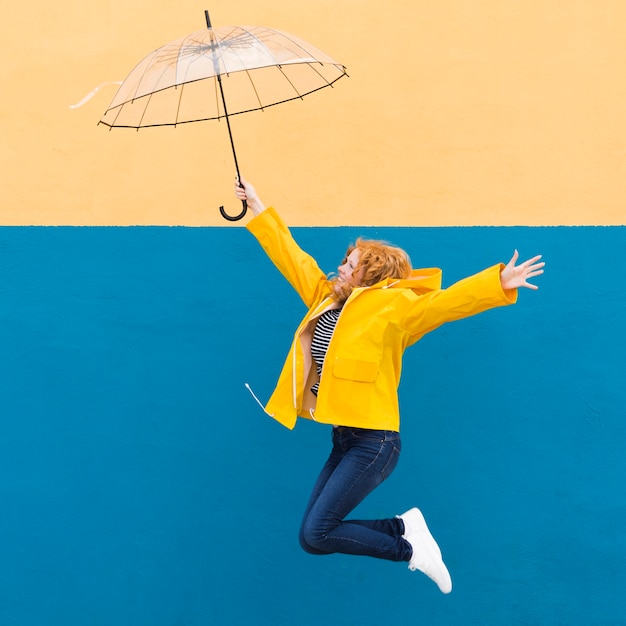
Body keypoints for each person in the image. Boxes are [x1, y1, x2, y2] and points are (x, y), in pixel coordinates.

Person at [234, 178, 544, 594]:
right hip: (345, 438)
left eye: (352, 262)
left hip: (375, 442)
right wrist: (257, 206)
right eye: (345, 260)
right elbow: (294, 259)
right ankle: (405, 527)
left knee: (319, 532)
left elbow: (443, 305)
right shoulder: (328, 298)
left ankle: (411, 550)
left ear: (372, 271)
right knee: (312, 536)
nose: (342, 266)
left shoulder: (393, 307)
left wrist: (497, 284)